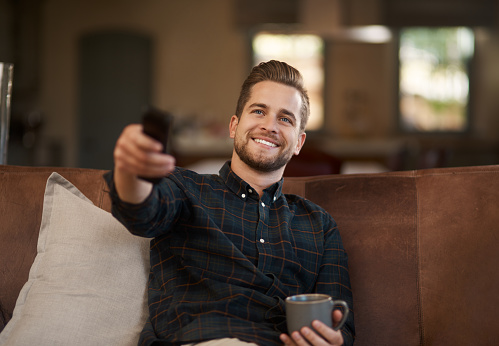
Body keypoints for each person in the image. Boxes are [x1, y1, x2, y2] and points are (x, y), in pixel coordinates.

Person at [105, 60, 355, 346]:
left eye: (285, 119)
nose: (269, 126)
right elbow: (140, 212)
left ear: (298, 142)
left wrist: (331, 340)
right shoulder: (185, 189)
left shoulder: (319, 225)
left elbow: (342, 326)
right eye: (259, 111)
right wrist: (130, 170)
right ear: (234, 125)